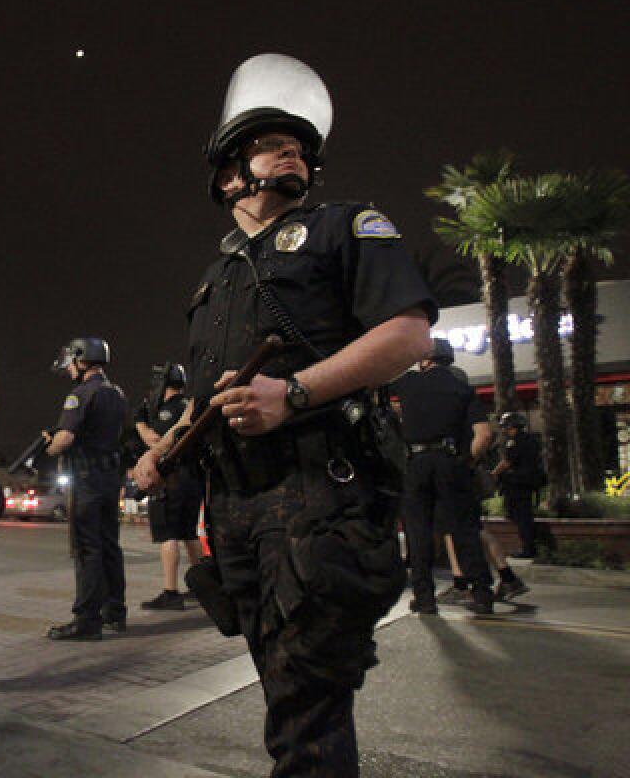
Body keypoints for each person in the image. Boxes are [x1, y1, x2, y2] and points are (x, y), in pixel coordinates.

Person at [133, 53, 434, 777]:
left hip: (317, 497)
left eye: (300, 145)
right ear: (230, 172)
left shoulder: (344, 226)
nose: (293, 150)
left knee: (307, 708)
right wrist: (165, 447)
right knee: (286, 693)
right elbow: (215, 393)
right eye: (273, 142)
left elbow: (408, 335)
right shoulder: (218, 276)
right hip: (234, 504)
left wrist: (293, 394)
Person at [392, 338, 495, 615]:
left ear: (425, 359)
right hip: (451, 462)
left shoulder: (408, 382)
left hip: (416, 463)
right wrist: (465, 461)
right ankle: (482, 594)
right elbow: (484, 435)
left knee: (418, 531)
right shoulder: (462, 388)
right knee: (464, 528)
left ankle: (424, 597)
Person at [44, 338, 129, 640]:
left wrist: (51, 446)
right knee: (109, 544)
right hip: (110, 477)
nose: (68, 371)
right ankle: (115, 611)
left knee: (86, 547)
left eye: (70, 364)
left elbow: (64, 440)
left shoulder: (80, 394)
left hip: (87, 479)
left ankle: (87, 620)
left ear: (81, 360)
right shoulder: (116, 393)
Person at [134, 363, 203, 610]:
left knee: (168, 534)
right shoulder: (189, 407)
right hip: (193, 478)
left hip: (171, 478)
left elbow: (156, 441)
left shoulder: (167, 410)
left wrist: (140, 423)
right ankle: (204, 587)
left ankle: (170, 591)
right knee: (189, 532)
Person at [492, 411, 543, 558]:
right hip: (528, 483)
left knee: (521, 516)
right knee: (524, 515)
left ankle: (528, 548)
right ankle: (529, 546)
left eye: (506, 427)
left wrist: (494, 474)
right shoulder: (531, 439)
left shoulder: (515, 441)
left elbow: (507, 462)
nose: (504, 430)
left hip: (518, 484)